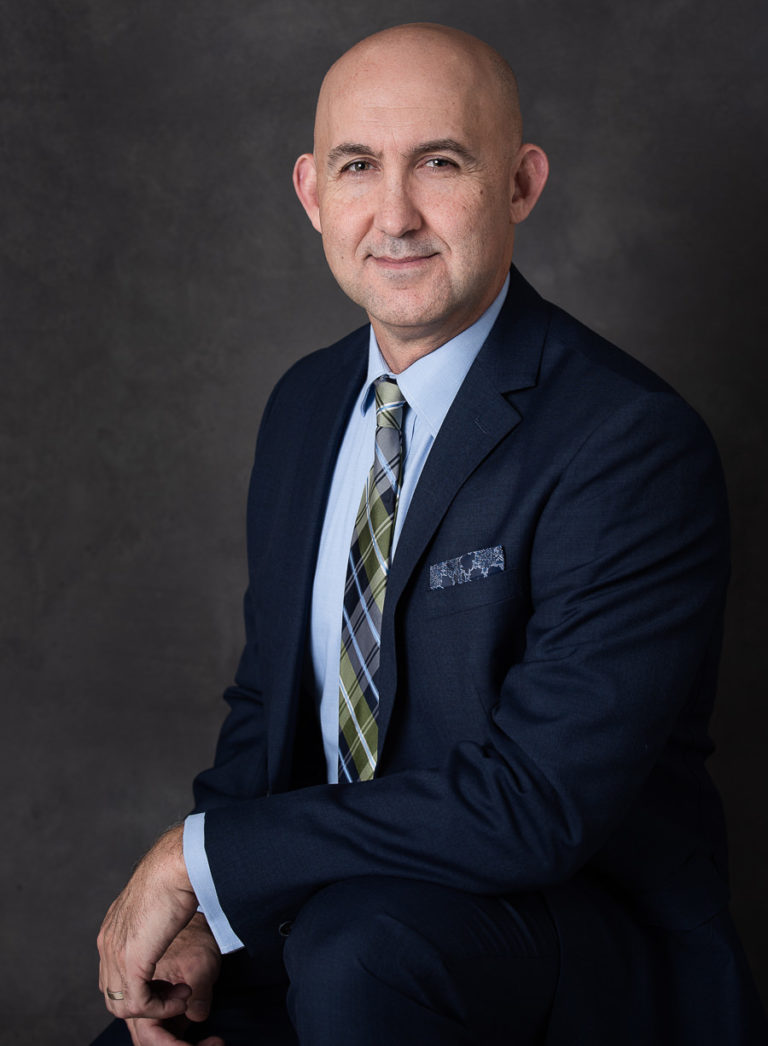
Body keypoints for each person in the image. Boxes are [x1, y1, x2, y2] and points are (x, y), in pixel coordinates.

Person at [93, 22, 767, 1046]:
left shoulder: (628, 441)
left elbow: (534, 805)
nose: (396, 214)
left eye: (441, 162)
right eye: (360, 166)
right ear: (314, 193)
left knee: (364, 950)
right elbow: (270, 700)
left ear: (521, 184)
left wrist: (201, 856)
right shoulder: (304, 405)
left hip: (558, 951)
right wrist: (209, 918)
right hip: (327, 930)